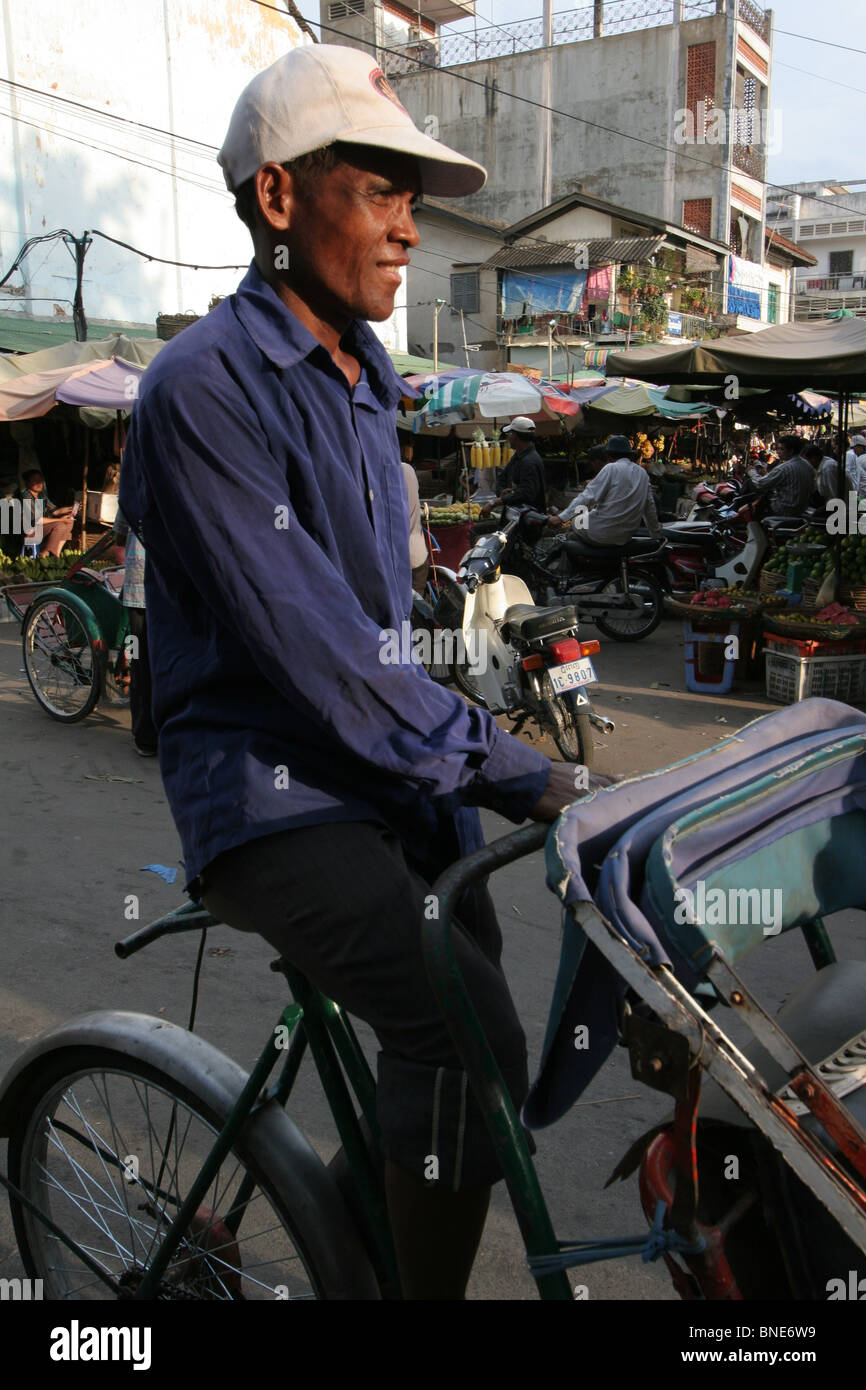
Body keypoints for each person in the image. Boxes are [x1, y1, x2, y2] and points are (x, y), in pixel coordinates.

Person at [118, 45, 588, 1302]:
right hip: (266, 794)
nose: (405, 226)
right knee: (460, 1028)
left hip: (375, 775)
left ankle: (348, 1240)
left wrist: (470, 701)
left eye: (412, 198)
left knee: (471, 993)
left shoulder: (365, 376)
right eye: (379, 186)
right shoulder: (200, 388)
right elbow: (322, 653)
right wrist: (521, 773)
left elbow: (381, 610)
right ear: (280, 200)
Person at [551, 436, 662, 546]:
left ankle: (571, 557)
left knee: (577, 523)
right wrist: (656, 535)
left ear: (608, 455)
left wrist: (561, 518)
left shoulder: (611, 468)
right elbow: (649, 508)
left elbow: (587, 497)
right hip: (624, 537)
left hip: (600, 534)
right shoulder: (642, 473)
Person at [113, 507, 158, 757]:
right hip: (170, 591)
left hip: (138, 591)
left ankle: (145, 737)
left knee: (140, 662)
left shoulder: (133, 484)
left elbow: (119, 536)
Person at [479, 416, 546, 514]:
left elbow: (526, 493)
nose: (508, 437)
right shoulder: (517, 456)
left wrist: (494, 502)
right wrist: (502, 492)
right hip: (516, 513)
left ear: (515, 437)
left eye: (510, 434)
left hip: (529, 518)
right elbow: (502, 477)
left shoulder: (530, 462)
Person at [750, 434, 816, 516]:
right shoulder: (807, 465)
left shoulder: (784, 468)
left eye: (781, 449)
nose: (778, 452)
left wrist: (751, 472)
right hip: (802, 509)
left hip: (783, 509)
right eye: (778, 449)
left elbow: (760, 483)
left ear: (791, 451)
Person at [18, 469, 75, 556]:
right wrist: (59, 520)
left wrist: (72, 508)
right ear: (27, 483)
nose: (39, 483)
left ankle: (56, 554)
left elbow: (56, 511)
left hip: (42, 528)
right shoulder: (26, 497)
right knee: (60, 525)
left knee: (69, 522)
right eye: (35, 481)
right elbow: (38, 520)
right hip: (30, 532)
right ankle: (45, 553)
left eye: (40, 480)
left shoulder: (41, 496)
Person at [401, 460, 429, 593]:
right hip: (418, 552)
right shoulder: (408, 469)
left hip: (400, 557)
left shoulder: (387, 473)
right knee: (417, 603)